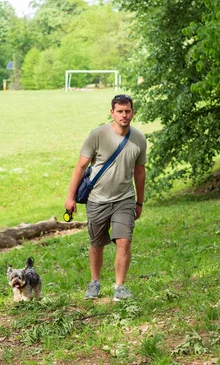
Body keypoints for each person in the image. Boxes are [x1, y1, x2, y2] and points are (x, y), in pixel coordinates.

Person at [64, 94, 147, 301]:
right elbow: (81, 166)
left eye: (127, 111)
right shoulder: (97, 135)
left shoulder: (139, 139)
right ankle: (95, 282)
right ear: (112, 113)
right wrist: (70, 197)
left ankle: (120, 287)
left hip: (124, 199)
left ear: (133, 112)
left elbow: (139, 172)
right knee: (97, 243)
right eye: (119, 111)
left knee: (124, 241)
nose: (124, 115)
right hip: (97, 199)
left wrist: (139, 201)